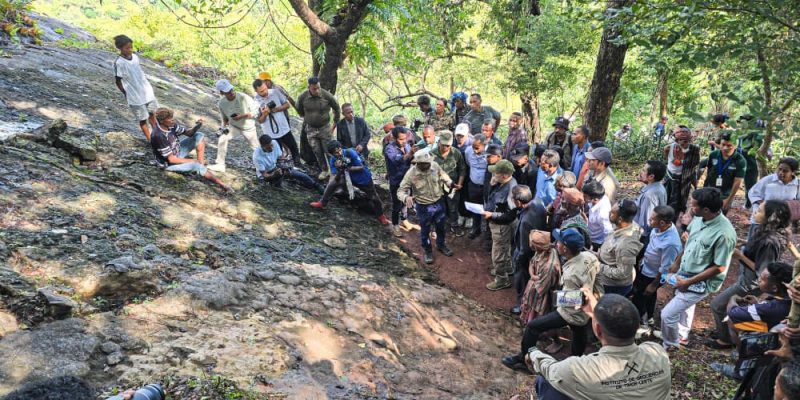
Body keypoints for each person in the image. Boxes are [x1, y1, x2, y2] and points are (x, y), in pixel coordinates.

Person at [526, 291, 671, 400]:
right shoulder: (657, 352)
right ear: (637, 325)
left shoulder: (578, 370)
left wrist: (533, 353)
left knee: (546, 382)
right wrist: (596, 314)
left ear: (598, 329)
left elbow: (550, 369)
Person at [502, 228, 601, 372]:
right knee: (579, 332)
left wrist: (555, 298)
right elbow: (598, 275)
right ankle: (575, 364)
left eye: (559, 241)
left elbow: (576, 300)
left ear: (565, 248)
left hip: (571, 313)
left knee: (533, 327)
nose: (556, 243)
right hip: (585, 311)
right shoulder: (589, 256)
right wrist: (596, 295)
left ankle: (525, 359)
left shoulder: (572, 275)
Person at [707, 200, 790, 350]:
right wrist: (744, 244)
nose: (755, 212)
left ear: (770, 218)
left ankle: (725, 340)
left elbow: (763, 272)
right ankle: (726, 330)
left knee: (717, 305)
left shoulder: (770, 242)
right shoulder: (766, 232)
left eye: (760, 211)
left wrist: (740, 256)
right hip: (746, 279)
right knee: (737, 306)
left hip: (752, 282)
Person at [661, 187, 736, 350]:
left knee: (667, 315)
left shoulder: (724, 234)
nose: (690, 207)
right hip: (686, 271)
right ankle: (682, 335)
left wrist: (688, 282)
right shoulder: (699, 218)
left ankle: (670, 344)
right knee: (684, 305)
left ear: (706, 209)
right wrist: (677, 262)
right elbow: (690, 242)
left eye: (694, 205)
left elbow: (720, 266)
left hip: (701, 281)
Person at [713, 261, 794, 380]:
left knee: (732, 321)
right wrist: (758, 304)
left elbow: (733, 312)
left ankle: (742, 370)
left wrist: (734, 298)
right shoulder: (789, 298)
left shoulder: (770, 307)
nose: (759, 279)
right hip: (777, 330)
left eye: (762, 279)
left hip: (774, 339)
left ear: (774, 287)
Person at [150, 108, 232, 193]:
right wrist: (193, 161)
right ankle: (222, 185)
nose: (173, 120)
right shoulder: (158, 136)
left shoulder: (171, 125)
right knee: (195, 165)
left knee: (199, 135)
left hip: (177, 152)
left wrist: (198, 125)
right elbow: (171, 159)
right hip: (168, 163)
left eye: (172, 118)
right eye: (170, 119)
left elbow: (189, 133)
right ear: (162, 121)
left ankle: (201, 164)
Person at [310, 140, 388, 226]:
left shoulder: (349, 152)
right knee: (332, 184)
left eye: (339, 151)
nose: (339, 154)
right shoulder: (333, 160)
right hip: (347, 178)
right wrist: (339, 170)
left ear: (341, 148)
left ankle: (381, 215)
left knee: (374, 197)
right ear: (332, 154)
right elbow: (335, 178)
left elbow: (361, 167)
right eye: (336, 153)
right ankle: (322, 202)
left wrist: (347, 168)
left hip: (362, 178)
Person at [397, 150, 455, 264]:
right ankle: (427, 250)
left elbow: (443, 175)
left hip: (439, 203)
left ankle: (441, 244)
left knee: (440, 226)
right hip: (423, 207)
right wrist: (406, 197)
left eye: (429, 163)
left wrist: (449, 183)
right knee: (425, 229)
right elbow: (400, 191)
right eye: (425, 164)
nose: (428, 165)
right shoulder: (411, 174)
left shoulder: (434, 165)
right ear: (418, 163)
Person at [631, 206, 681, 332]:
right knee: (648, 295)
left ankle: (642, 324)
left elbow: (666, 268)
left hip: (655, 275)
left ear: (662, 222)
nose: (649, 220)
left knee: (640, 296)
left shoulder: (671, 243)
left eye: (652, 219)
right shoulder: (657, 229)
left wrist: (654, 284)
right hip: (646, 267)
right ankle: (650, 316)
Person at [481, 160, 518, 290]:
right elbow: (492, 197)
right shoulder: (502, 183)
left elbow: (510, 215)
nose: (493, 175)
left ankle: (502, 279)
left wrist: (492, 215)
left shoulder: (511, 189)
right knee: (505, 248)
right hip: (499, 224)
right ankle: (508, 268)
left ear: (504, 175)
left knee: (498, 254)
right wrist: (492, 185)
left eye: (496, 173)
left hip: (502, 226)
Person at [113, 34, 158, 142]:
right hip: (134, 95)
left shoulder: (135, 57)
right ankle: (150, 140)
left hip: (146, 91)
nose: (130, 50)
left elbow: (139, 72)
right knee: (143, 119)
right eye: (126, 48)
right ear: (120, 48)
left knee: (152, 114)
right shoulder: (119, 63)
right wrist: (125, 93)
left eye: (131, 47)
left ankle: (158, 136)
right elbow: (118, 81)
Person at [510, 187, 548, 314]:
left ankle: (521, 305)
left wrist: (518, 260)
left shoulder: (526, 221)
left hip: (527, 255)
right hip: (538, 250)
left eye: (513, 198)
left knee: (521, 279)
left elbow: (524, 249)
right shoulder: (538, 203)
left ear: (519, 202)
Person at [210, 79, 260, 173]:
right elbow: (225, 119)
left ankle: (263, 168)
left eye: (231, 90)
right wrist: (222, 128)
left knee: (256, 148)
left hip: (248, 127)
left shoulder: (244, 97)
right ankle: (220, 164)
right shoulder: (222, 103)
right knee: (222, 139)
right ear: (222, 93)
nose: (231, 93)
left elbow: (256, 112)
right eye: (228, 92)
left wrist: (242, 116)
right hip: (234, 127)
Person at [296, 76, 341, 180]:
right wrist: (309, 118)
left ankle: (335, 172)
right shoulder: (303, 97)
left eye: (318, 88)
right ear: (309, 87)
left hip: (324, 128)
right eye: (314, 89)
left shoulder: (326, 95)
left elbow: (337, 108)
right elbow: (299, 109)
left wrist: (335, 123)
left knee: (329, 150)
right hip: (311, 129)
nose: (317, 90)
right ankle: (324, 170)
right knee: (317, 151)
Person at [597, 200, 643, 296]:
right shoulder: (626, 226)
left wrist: (599, 266)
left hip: (613, 286)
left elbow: (622, 273)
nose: (609, 214)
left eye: (612, 213)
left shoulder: (626, 244)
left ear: (620, 219)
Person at [747, 157, 800, 239]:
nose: (781, 173)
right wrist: (763, 206)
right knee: (752, 243)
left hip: (780, 223)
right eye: (779, 169)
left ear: (793, 172)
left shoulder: (797, 185)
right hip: (761, 219)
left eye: (785, 171)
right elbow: (753, 193)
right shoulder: (768, 180)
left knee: (772, 244)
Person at [253, 135, 321, 192]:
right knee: (278, 178)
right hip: (267, 174)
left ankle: (315, 185)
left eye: (272, 145)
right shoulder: (257, 157)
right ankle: (277, 185)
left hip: (275, 166)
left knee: (298, 173)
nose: (272, 148)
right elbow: (265, 175)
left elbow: (280, 157)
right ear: (262, 146)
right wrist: (274, 174)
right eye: (268, 147)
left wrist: (284, 161)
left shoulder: (274, 142)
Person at [519, 229, 561, 323]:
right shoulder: (541, 250)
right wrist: (533, 275)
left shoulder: (549, 266)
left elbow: (542, 288)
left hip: (541, 298)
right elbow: (532, 263)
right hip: (534, 291)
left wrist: (533, 279)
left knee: (537, 318)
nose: (530, 246)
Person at [430, 130, 466, 236]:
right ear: (439, 142)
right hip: (437, 186)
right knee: (436, 208)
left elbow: (462, 169)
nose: (446, 147)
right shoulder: (432, 154)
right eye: (443, 144)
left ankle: (454, 226)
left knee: (453, 208)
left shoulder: (456, 153)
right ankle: (435, 227)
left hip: (453, 186)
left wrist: (459, 184)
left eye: (448, 145)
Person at [252, 79, 298, 163]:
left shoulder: (275, 92)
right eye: (261, 91)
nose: (265, 92)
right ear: (256, 91)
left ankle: (297, 162)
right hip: (271, 132)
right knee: (277, 152)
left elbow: (287, 104)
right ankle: (280, 168)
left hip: (284, 127)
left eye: (265, 89)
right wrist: (265, 114)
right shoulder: (255, 102)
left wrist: (276, 109)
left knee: (293, 147)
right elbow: (260, 120)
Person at [663, 126, 700, 221]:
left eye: (687, 141)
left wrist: (695, 184)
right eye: (682, 141)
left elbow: (693, 168)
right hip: (670, 179)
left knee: (679, 204)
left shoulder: (694, 150)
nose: (685, 143)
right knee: (665, 200)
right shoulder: (668, 148)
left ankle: (673, 221)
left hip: (684, 181)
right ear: (677, 140)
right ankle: (664, 218)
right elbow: (667, 161)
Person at [703, 131, 746, 213]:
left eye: (729, 145)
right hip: (709, 192)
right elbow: (709, 172)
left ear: (735, 146)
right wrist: (704, 190)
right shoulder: (713, 154)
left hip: (725, 195)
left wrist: (728, 200)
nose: (725, 148)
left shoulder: (740, 161)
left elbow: (737, 182)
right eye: (723, 145)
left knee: (720, 216)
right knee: (705, 214)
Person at [384, 127, 414, 236]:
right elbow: (397, 160)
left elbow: (410, 160)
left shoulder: (406, 145)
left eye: (405, 138)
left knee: (406, 201)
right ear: (395, 138)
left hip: (407, 179)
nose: (404, 141)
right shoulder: (389, 148)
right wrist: (410, 153)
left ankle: (404, 219)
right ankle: (395, 225)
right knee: (396, 204)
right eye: (401, 139)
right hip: (396, 181)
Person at [635, 160, 668, 242]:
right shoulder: (660, 187)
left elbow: (645, 224)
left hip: (643, 237)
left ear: (651, 177)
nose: (641, 172)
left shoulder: (649, 195)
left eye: (643, 170)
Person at [465, 134, 488, 238]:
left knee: (488, 208)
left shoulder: (490, 153)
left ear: (484, 145)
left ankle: (488, 233)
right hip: (473, 185)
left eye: (477, 148)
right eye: (473, 147)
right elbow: (468, 164)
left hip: (486, 187)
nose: (474, 150)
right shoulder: (468, 151)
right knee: (475, 208)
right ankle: (476, 229)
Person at [583, 180, 612, 250]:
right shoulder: (600, 197)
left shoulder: (602, 214)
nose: (583, 197)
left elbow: (608, 233)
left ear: (595, 199)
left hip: (595, 242)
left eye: (585, 196)